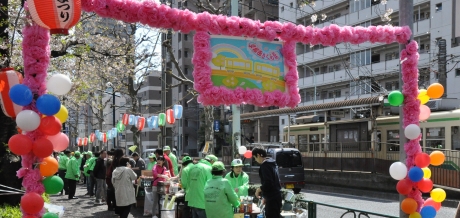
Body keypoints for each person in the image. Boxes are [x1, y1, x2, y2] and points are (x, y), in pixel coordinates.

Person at [252, 148, 282, 218]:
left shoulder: (265, 166)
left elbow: (268, 183)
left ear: (258, 155)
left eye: (254, 157)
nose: (255, 160)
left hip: (272, 198)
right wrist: (265, 196)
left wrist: (258, 190)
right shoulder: (272, 163)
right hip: (276, 196)